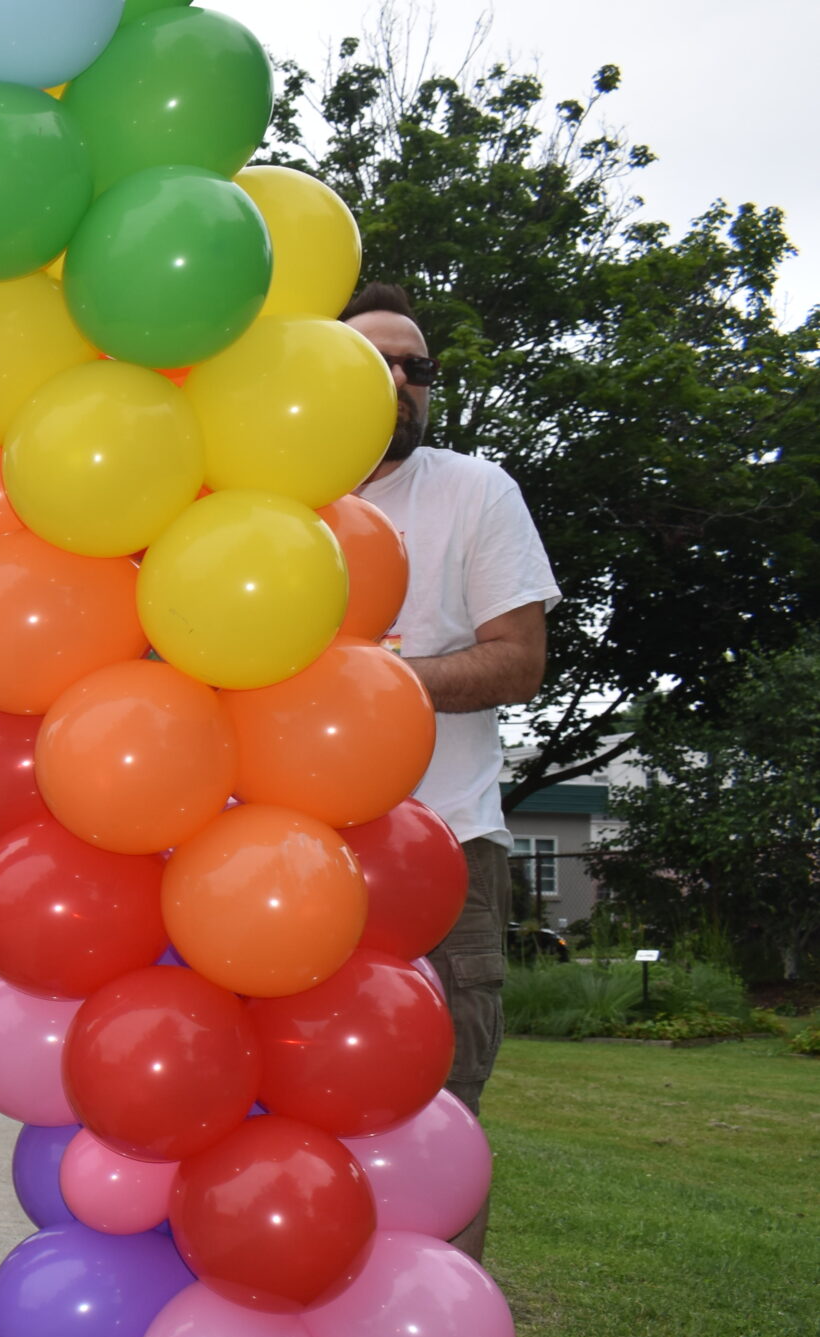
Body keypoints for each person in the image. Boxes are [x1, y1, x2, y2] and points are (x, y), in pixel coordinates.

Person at [342, 281, 560, 1263]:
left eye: (416, 367)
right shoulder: (254, 497)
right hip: (275, 858)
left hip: (442, 846)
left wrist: (380, 681)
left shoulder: (475, 491)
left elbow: (518, 657)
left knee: (440, 1099)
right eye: (373, 360)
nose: (399, 380)